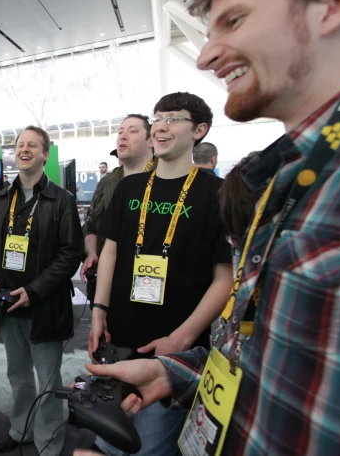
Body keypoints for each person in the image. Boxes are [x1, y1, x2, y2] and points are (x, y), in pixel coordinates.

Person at [77, 0, 340, 454]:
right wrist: (179, 373)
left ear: (335, 5)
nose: (207, 54)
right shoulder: (284, 182)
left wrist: (184, 339)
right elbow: (266, 362)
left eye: (235, 20)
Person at [88, 93, 233, 456]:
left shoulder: (216, 194)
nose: (162, 126)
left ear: (199, 130)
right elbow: (111, 250)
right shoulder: (130, 188)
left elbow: (225, 278)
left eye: (174, 118)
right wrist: (98, 311)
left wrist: (181, 340)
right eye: (158, 118)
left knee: (151, 446)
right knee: (107, 439)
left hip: (172, 355)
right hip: (118, 342)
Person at [0, 125, 83, 455]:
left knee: (48, 382)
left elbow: (71, 254)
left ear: (44, 154)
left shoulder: (61, 201)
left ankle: (48, 442)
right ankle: (20, 428)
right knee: (18, 376)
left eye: (32, 145)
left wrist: (33, 290)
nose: (24, 149)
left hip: (44, 307)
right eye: (20, 145)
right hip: (8, 306)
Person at [81, 115, 157, 292]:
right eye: (120, 132)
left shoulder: (166, 177)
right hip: (108, 283)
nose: (123, 136)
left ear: (151, 141)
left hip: (151, 280)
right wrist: (92, 253)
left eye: (133, 131)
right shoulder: (107, 183)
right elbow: (91, 226)